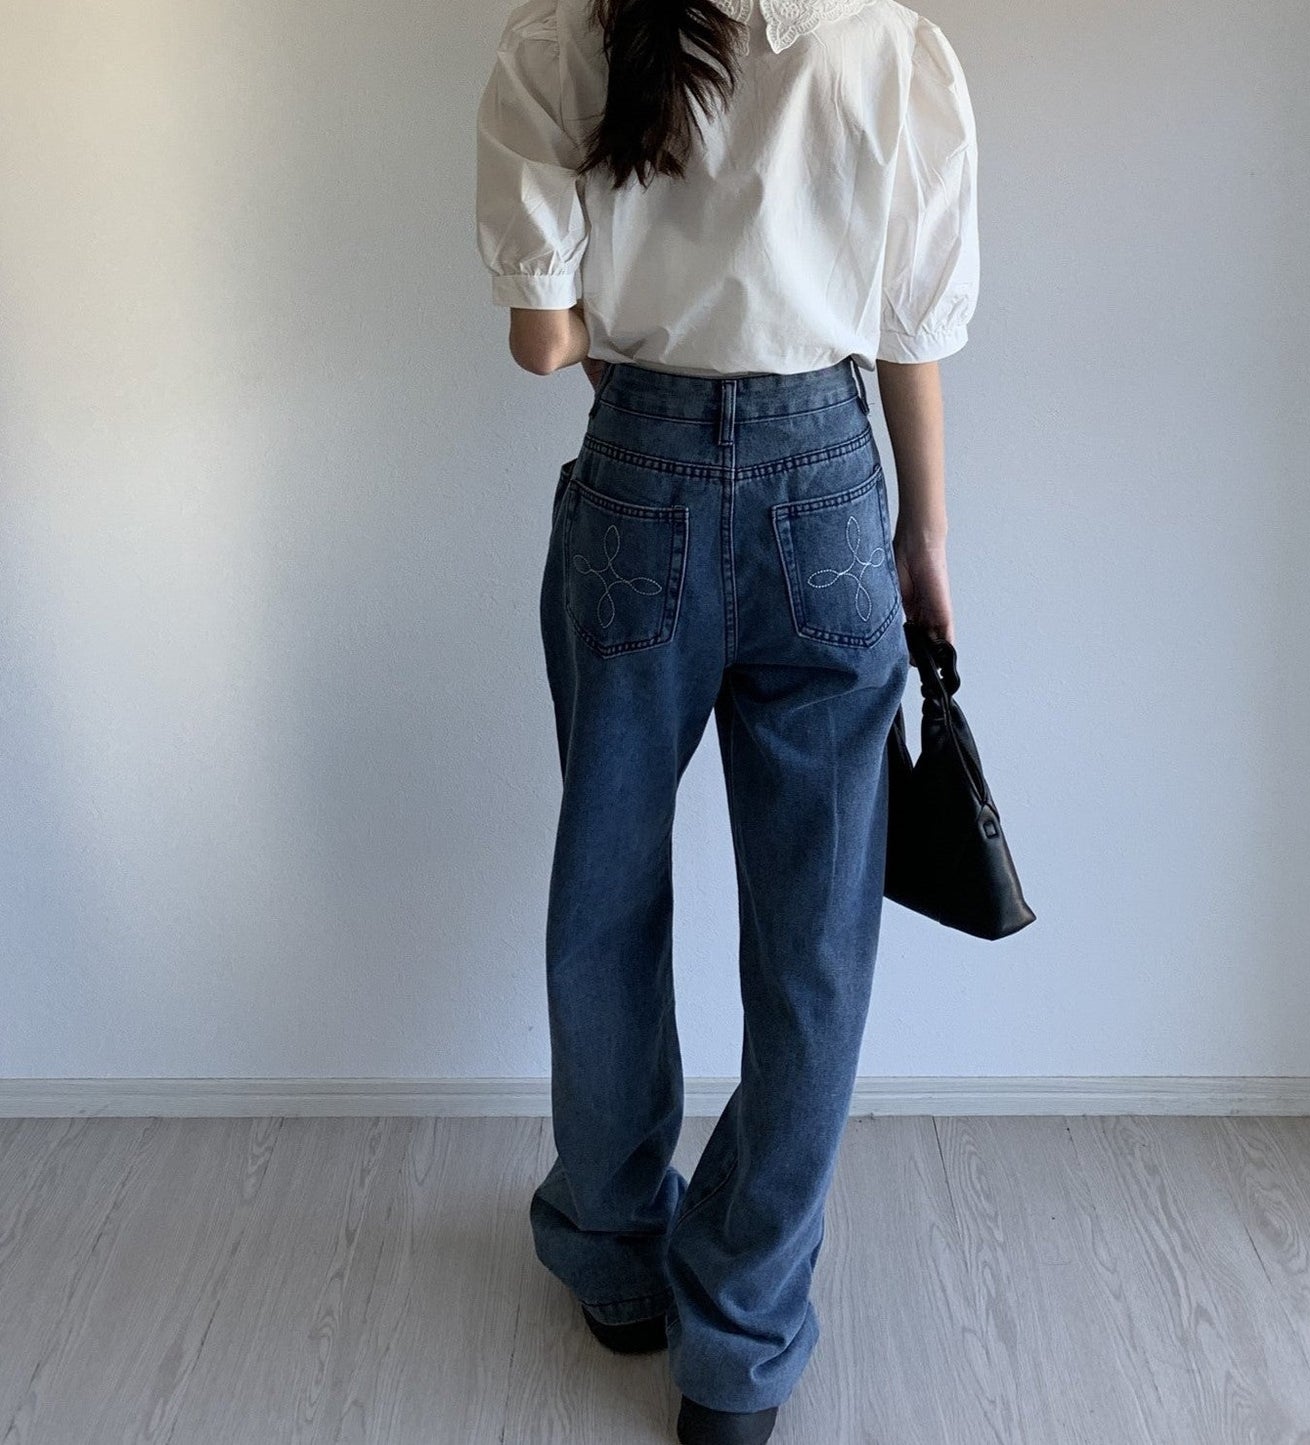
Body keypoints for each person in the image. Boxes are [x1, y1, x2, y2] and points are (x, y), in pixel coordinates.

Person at [475, 0, 978, 1439]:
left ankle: (615, 1252)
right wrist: (923, 539)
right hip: (831, 485)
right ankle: (741, 1348)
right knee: (815, 938)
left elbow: (542, 343)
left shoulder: (566, 33)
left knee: (608, 897)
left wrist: (634, 318)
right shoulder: (891, 44)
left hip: (639, 482)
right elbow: (910, 328)